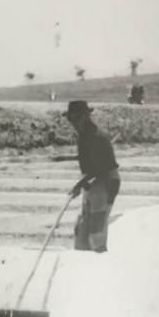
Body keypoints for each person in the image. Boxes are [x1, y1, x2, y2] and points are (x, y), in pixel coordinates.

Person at [63, 101, 121, 252]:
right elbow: (90, 169)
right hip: (92, 181)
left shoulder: (97, 138)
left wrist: (79, 185)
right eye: (70, 119)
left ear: (85, 116)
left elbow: (100, 170)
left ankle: (100, 259)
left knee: (96, 231)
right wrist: (82, 184)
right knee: (82, 232)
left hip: (106, 182)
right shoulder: (83, 135)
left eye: (76, 118)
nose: (73, 122)